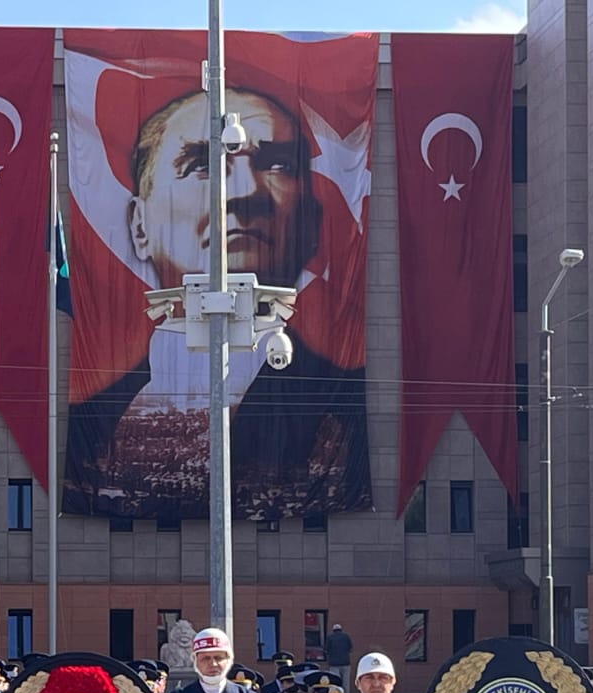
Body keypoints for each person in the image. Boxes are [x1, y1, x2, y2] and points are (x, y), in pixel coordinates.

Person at [63, 87, 369, 523]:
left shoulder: (345, 415)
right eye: (202, 164)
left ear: (311, 226)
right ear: (139, 224)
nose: (242, 191)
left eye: (277, 164)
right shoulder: (97, 425)